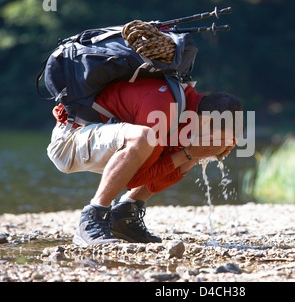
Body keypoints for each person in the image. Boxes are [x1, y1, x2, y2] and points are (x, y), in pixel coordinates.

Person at [47, 77, 242, 246]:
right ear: (206, 120)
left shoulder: (189, 110)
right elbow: (133, 179)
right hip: (69, 142)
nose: (210, 143)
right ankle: (92, 219)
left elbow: (158, 175)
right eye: (213, 136)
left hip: (98, 141)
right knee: (144, 137)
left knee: (185, 153)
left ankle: (124, 215)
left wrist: (195, 155)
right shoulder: (162, 106)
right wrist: (188, 153)